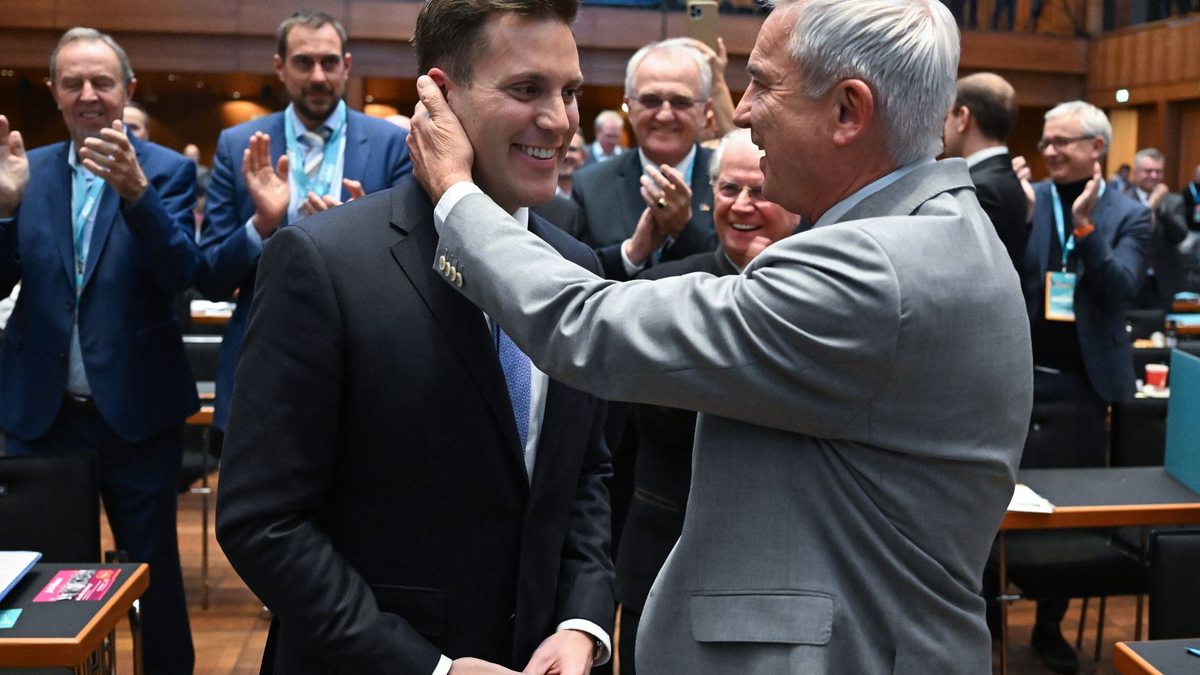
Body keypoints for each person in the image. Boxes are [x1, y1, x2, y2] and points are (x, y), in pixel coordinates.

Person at [407, 0, 1032, 672]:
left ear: (848, 112)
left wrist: (455, 196)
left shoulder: (877, 267)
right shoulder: (945, 233)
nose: (741, 111)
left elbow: (588, 328)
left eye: (765, 84)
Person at [214, 0, 614, 672]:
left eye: (570, 91)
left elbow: (583, 475)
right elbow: (264, 522)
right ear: (439, 96)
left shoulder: (576, 267)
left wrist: (582, 621)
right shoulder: (322, 261)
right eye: (527, 89)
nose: (560, 120)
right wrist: (430, 668)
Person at [0, 28, 200, 675]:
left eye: (102, 82)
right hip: (42, 414)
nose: (89, 94)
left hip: (136, 414)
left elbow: (182, 274)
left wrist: (139, 196)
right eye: (72, 82)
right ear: (55, 93)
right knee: (43, 583)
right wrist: (4, 212)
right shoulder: (25, 171)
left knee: (152, 576)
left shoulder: (168, 170)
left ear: (127, 91)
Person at [615, 128, 798, 675]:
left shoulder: (828, 292)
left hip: (782, 561)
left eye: (760, 191)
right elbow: (651, 412)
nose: (742, 206)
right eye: (727, 189)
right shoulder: (667, 288)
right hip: (668, 543)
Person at [196, 10, 411, 437]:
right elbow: (210, 279)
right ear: (280, 67)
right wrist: (262, 223)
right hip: (262, 363)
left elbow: (415, 269)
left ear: (347, 66)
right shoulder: (238, 144)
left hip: (364, 361)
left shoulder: (391, 145)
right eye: (303, 62)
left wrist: (360, 234)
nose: (318, 75)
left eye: (329, 62)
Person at [1012, 101, 1149, 674]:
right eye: (1046, 142)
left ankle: (1048, 626)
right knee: (1001, 501)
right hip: (1017, 378)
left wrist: (1087, 228)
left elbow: (1121, 288)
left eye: (1062, 142)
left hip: (1085, 386)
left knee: (1069, 512)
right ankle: (992, 612)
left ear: (1097, 148)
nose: (1049, 152)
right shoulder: (1030, 200)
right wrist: (1012, 219)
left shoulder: (1127, 212)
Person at [570, 38, 717, 281]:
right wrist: (632, 253)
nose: (665, 114)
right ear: (628, 106)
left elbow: (741, 271)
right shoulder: (589, 186)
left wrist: (684, 230)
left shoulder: (734, 181)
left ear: (704, 110)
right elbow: (574, 281)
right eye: (651, 100)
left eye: (681, 101)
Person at [942, 72, 1029, 270]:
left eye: (946, 117)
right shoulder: (1006, 177)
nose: (943, 128)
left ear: (962, 118)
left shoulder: (978, 188)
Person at [1123, 148, 1188, 312]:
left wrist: (1160, 209)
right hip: (1132, 278)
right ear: (1136, 173)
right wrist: (1148, 207)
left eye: (1158, 171)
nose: (1153, 176)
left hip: (1164, 280)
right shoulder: (1122, 200)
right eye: (1148, 171)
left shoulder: (1174, 201)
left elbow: (1180, 235)